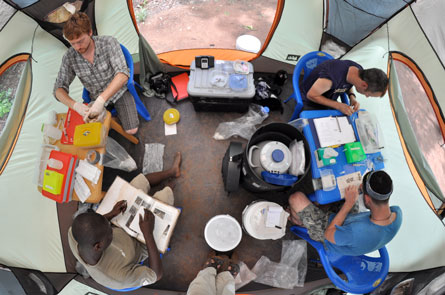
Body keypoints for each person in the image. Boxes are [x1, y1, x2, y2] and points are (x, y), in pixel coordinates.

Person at [68, 152, 182, 289]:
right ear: (98, 246)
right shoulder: (119, 277)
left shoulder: (74, 236)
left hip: (123, 226)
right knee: (165, 196)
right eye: (110, 231)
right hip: (141, 243)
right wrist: (147, 233)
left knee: (138, 183)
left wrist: (111, 214)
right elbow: (156, 275)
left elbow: (99, 224)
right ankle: (169, 187)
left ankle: (172, 172)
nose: (111, 229)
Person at [53, 12, 139, 135]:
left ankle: (112, 120)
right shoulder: (69, 57)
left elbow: (123, 74)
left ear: (90, 32)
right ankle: (111, 120)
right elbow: (58, 89)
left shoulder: (108, 43)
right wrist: (76, 106)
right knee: (90, 135)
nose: (77, 47)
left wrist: (101, 100)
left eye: (80, 41)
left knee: (131, 130)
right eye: (72, 43)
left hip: (118, 92)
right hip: (94, 98)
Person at [287, 170, 402, 256]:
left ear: (367, 199)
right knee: (346, 183)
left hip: (330, 235)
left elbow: (328, 234)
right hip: (353, 220)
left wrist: (348, 204)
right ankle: (321, 206)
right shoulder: (397, 213)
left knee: (295, 198)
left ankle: (297, 220)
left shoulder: (357, 232)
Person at [301, 59, 389, 116]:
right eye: (368, 94)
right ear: (364, 85)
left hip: (329, 97)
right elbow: (311, 95)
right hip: (310, 100)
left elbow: (349, 84)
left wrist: (352, 96)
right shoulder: (332, 77)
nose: (366, 96)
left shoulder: (358, 71)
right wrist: (338, 105)